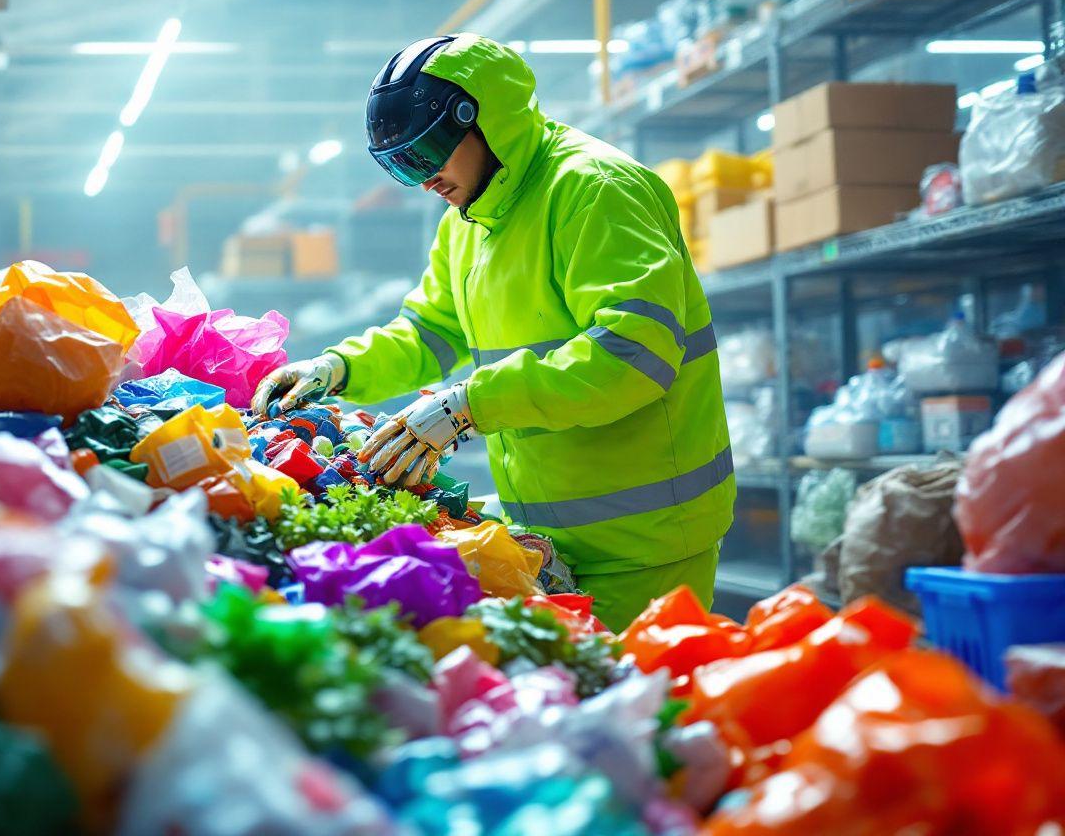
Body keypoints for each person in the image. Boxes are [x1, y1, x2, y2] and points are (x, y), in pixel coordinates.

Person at [252, 34, 734, 631]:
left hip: (647, 540)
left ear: (483, 119)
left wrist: (468, 406)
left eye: (427, 152)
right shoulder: (468, 222)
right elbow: (429, 333)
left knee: (632, 688)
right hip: (548, 536)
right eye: (403, 165)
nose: (424, 180)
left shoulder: (595, 189)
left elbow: (633, 356)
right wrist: (336, 368)